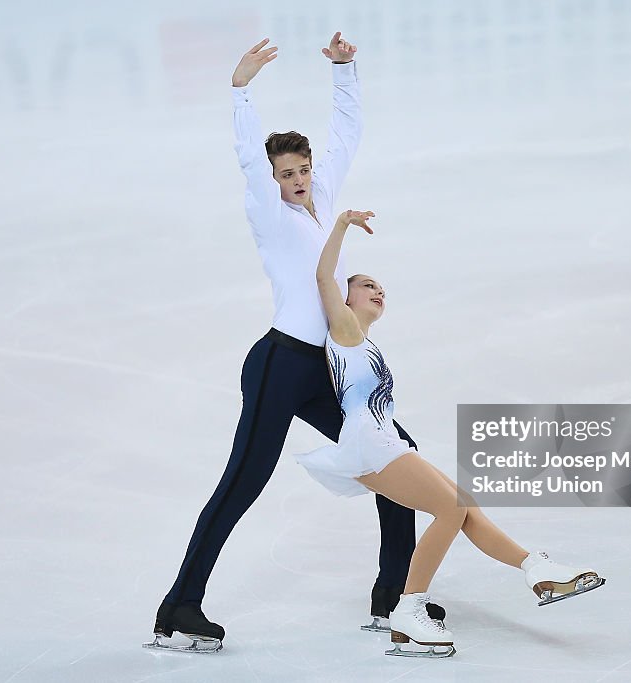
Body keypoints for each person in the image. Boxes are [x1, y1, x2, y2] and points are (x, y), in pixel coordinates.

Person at [149, 34, 442, 653]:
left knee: (397, 460)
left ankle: (393, 595)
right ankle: (180, 606)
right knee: (242, 483)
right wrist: (240, 90)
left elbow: (347, 135)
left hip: (321, 368)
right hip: (278, 365)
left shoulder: (320, 200)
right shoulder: (269, 213)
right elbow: (249, 164)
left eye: (303, 170)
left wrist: (344, 70)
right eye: (288, 174)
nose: (298, 180)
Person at [295, 209, 606, 657]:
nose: (377, 290)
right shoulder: (344, 330)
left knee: (462, 504)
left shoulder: (367, 342)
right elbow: (324, 276)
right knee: (447, 509)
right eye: (365, 285)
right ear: (345, 299)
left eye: (380, 286)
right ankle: (408, 608)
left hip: (385, 441)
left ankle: (535, 567)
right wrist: (342, 224)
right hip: (369, 444)